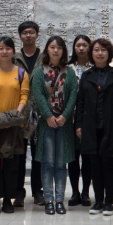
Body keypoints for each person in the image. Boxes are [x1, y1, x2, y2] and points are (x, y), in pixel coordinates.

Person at [75, 38, 113, 216]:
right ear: (92, 53)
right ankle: (98, 201)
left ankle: (108, 203)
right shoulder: (87, 75)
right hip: (90, 127)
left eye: (103, 50)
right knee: (94, 166)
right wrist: (79, 124)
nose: (100, 53)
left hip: (111, 127)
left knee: (108, 165)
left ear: (109, 53)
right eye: (96, 50)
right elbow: (80, 102)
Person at [0, 36, 30, 214]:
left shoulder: (21, 73)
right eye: (1, 48)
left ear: (13, 51)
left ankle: (9, 199)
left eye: (8, 48)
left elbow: (24, 95)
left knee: (11, 165)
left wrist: (14, 115)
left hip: (14, 126)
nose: (4, 51)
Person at [32, 36, 78, 215]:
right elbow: (38, 95)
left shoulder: (70, 72)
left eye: (59, 47)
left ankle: (60, 200)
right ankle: (48, 200)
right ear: (47, 50)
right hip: (47, 123)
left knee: (60, 163)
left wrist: (65, 115)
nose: (56, 50)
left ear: (63, 51)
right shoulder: (39, 72)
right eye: (52, 47)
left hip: (64, 124)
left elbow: (73, 94)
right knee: (47, 163)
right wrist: (48, 116)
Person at [14, 21, 44, 206]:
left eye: (32, 32)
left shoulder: (44, 57)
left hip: (40, 112)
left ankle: (38, 191)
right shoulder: (14, 58)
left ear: (37, 35)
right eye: (25, 32)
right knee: (19, 154)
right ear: (20, 36)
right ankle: (19, 191)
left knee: (38, 155)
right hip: (20, 112)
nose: (28, 35)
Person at [67, 34, 93, 207]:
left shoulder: (95, 67)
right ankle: (75, 192)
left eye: (85, 45)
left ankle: (85, 192)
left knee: (88, 156)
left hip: (89, 118)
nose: (82, 48)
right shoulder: (68, 68)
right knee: (73, 157)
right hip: (70, 117)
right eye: (78, 45)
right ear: (74, 48)